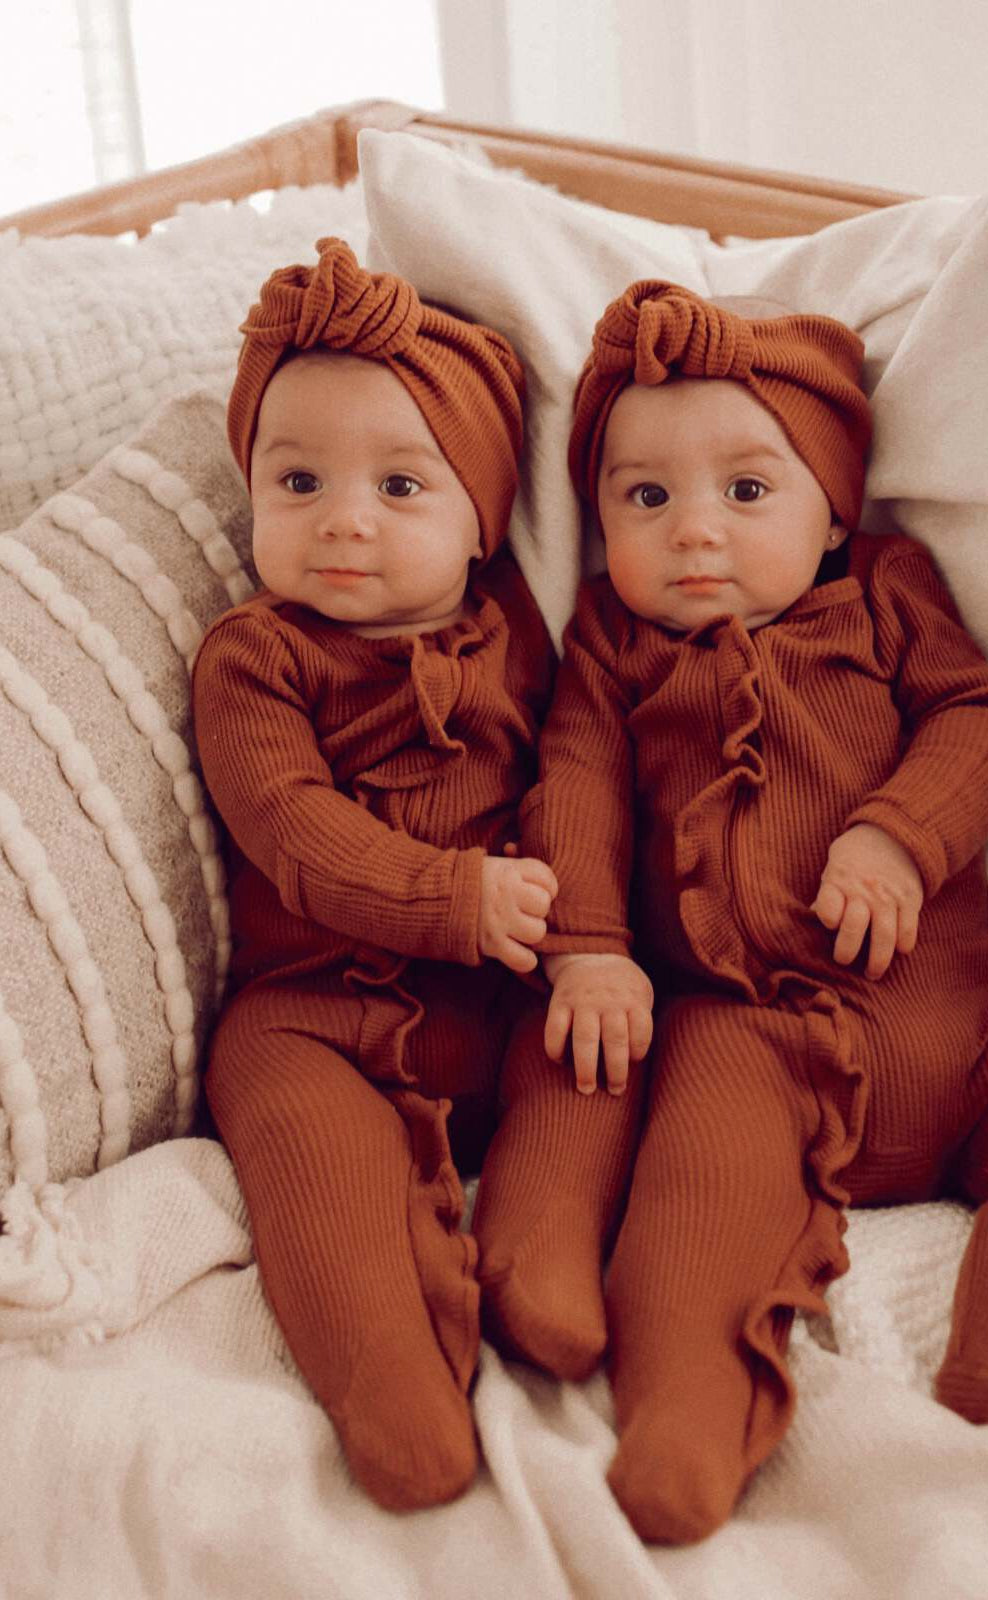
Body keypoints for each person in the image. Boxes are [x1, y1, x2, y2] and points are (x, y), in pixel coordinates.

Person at [478, 279, 988, 1545]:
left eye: (747, 490)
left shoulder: (887, 595)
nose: (696, 533)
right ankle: (684, 1412)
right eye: (646, 497)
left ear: (833, 505)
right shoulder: (611, 650)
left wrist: (898, 839)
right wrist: (588, 951)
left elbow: (981, 721)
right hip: (748, 1029)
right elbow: (571, 790)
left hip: (960, 1021)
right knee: (695, 1200)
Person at [191, 238, 637, 1512]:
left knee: (601, 1046)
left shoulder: (515, 630)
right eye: (300, 479)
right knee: (301, 1148)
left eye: (399, 483)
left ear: (481, 517)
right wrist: (447, 896)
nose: (344, 517)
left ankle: (540, 1247)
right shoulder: (254, 658)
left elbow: (574, 771)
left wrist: (587, 939)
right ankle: (380, 1365)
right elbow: (289, 823)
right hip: (313, 1008)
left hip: (503, 995)